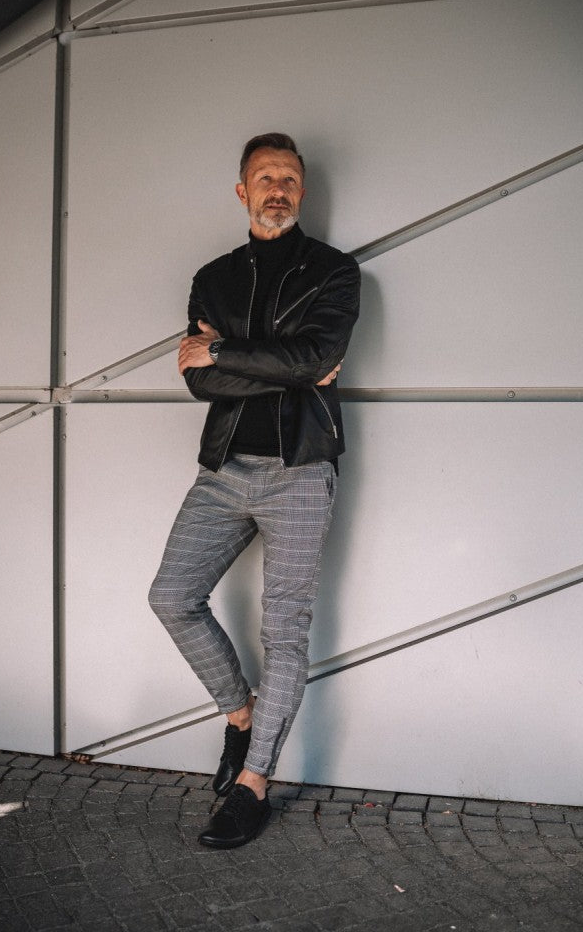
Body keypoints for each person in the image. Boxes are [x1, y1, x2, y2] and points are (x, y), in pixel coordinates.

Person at [148, 132, 360, 849]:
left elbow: (316, 354)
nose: (278, 188)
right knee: (171, 596)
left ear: (302, 190)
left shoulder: (334, 271)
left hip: (300, 469)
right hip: (225, 469)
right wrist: (290, 368)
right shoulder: (212, 277)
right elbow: (201, 380)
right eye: (265, 177)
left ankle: (254, 783)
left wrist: (228, 352)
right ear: (242, 191)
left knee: (284, 632)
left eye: (289, 178)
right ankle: (239, 716)